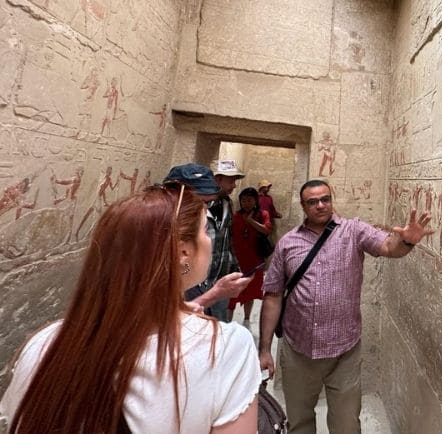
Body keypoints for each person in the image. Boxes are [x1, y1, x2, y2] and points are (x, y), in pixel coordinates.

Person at [0, 184, 260, 433]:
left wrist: (205, 298)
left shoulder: (44, 344)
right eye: (204, 231)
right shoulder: (226, 349)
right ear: (182, 253)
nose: (209, 240)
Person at [258, 179, 433, 434]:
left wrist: (406, 242)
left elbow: (387, 246)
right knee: (299, 422)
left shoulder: (354, 231)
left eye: (325, 199)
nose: (320, 205)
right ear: (303, 206)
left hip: (344, 351)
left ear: (331, 199)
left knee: (347, 424)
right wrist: (264, 349)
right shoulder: (287, 242)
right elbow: (273, 295)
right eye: (313, 201)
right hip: (299, 350)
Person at [164, 163, 251, 321]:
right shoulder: (161, 233)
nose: (205, 208)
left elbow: (226, 238)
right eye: (202, 202)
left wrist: (232, 266)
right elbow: (166, 322)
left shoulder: (226, 204)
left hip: (216, 278)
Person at [229, 187, 272, 327]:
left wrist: (251, 221)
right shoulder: (235, 216)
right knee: (231, 293)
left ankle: (246, 320)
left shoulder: (262, 214)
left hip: (254, 261)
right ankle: (227, 323)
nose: (245, 203)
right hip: (237, 260)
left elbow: (267, 230)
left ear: (255, 201)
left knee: (250, 292)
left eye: (249, 200)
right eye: (243, 200)